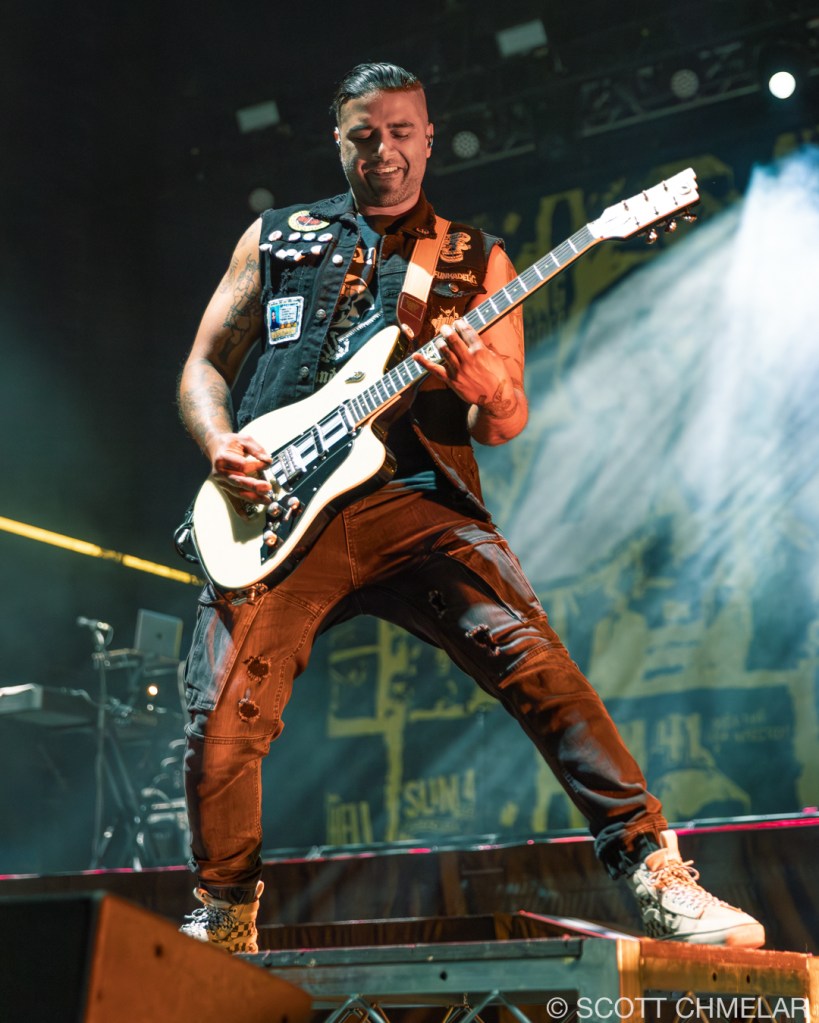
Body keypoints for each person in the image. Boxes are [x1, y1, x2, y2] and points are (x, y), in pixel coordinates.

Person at [176, 62, 764, 954]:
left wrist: (488, 384)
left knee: (535, 664)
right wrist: (221, 443)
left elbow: (506, 418)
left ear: (429, 137)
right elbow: (203, 366)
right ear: (337, 140)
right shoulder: (276, 236)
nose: (383, 150)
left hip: (416, 501)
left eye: (400, 131)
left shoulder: (474, 259)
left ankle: (653, 869)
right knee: (221, 716)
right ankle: (225, 914)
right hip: (277, 509)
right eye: (363, 134)